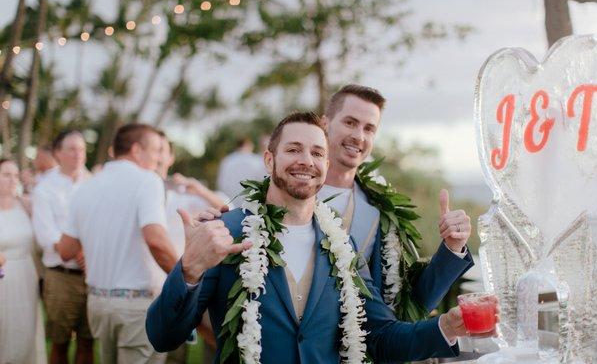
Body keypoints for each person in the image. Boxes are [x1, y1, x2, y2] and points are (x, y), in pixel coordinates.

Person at [146, 112, 497, 363]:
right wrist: (189, 270)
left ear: (326, 166)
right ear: (269, 160)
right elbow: (163, 337)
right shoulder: (226, 233)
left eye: (316, 153)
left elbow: (380, 337)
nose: (306, 161)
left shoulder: (344, 247)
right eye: (293, 149)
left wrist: (446, 326)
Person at [318, 84, 474, 312]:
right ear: (325, 124)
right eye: (350, 122)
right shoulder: (282, 198)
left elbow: (413, 302)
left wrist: (453, 247)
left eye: (369, 128)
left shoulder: (381, 209)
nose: (359, 136)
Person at [57, 123, 178, 364]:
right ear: (136, 149)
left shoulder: (85, 187)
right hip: (137, 306)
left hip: (98, 304)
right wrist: (185, 278)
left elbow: (66, 250)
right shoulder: (147, 181)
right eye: (155, 150)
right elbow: (155, 240)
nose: (158, 158)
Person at [156, 132, 220, 364]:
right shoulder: (135, 192)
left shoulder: (184, 195)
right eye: (153, 149)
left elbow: (228, 209)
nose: (157, 156)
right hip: (149, 285)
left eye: (162, 150)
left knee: (181, 353)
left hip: (186, 284)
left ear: (171, 157)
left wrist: (199, 189)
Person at [31, 130, 93, 364]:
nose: (78, 154)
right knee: (60, 342)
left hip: (94, 276)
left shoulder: (94, 184)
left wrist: (92, 253)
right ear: (58, 153)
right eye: (71, 149)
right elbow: (47, 235)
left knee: (88, 342)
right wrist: (81, 252)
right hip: (61, 277)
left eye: (82, 149)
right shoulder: (44, 189)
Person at [0, 159, 47, 364]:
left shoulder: (27, 204)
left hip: (26, 275)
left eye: (16, 175)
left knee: (25, 328)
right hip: (2, 278)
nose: (12, 180)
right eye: (6, 175)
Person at [217, 137, 265, 207]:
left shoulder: (227, 161)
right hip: (252, 204)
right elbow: (263, 181)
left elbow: (221, 183)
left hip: (231, 202)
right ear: (248, 145)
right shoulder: (257, 160)